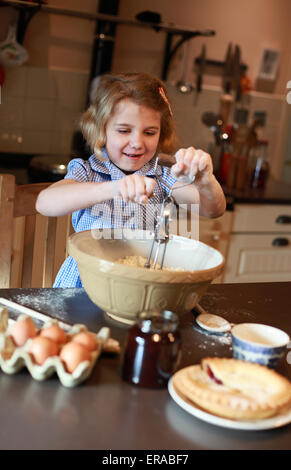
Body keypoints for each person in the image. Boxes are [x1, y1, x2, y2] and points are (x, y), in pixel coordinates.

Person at [36, 72, 226, 287]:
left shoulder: (163, 174)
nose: (137, 142)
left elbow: (213, 210)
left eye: (149, 132)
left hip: (141, 283)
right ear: (101, 130)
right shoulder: (88, 171)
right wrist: (111, 188)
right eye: (124, 130)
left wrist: (205, 181)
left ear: (161, 133)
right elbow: (45, 203)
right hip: (85, 284)